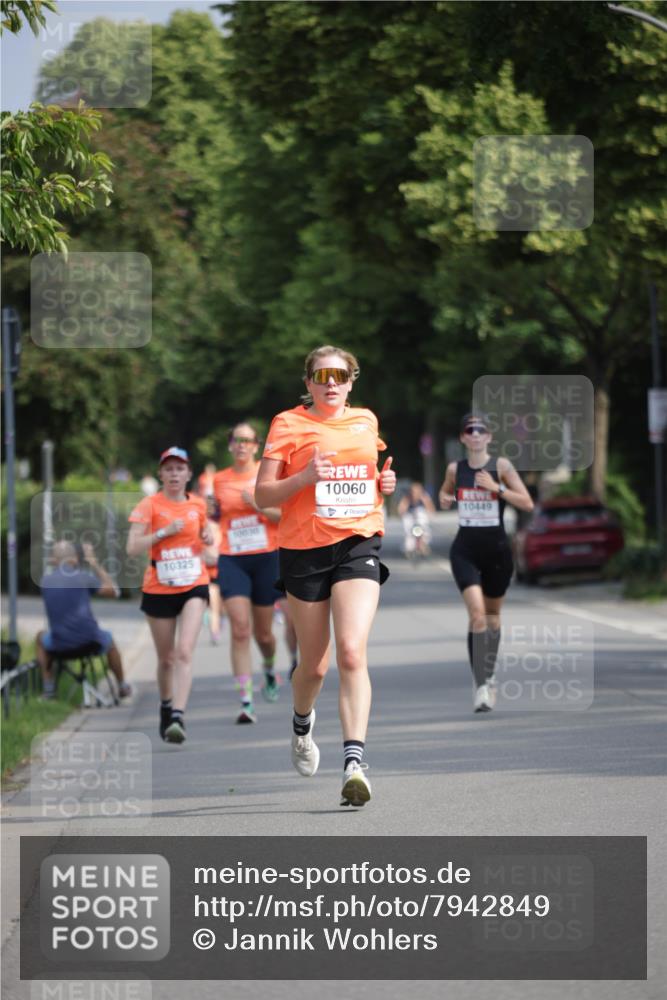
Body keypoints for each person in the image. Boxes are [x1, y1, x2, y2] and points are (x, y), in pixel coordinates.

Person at [255, 345, 396, 807]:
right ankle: (302, 723)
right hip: (304, 549)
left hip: (358, 541)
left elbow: (366, 476)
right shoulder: (287, 424)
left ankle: (354, 763)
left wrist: (383, 487)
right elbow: (261, 495)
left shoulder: (366, 421)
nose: (331, 383)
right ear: (309, 382)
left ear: (352, 381)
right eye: (322, 376)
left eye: (340, 375)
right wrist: (303, 479)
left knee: (352, 652)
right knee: (313, 665)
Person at [438, 414, 534, 712]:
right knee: (477, 616)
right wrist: (444, 497)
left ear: (489, 437)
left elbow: (527, 502)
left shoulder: (501, 467)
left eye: (481, 430)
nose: (476, 434)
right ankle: (480, 684)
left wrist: (497, 488)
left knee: (492, 617)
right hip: (465, 549)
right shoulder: (456, 468)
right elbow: (445, 490)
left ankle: (489, 674)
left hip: (497, 551)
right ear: (464, 438)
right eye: (470, 430)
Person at [126, 447, 213, 743]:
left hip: (193, 583)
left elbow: (206, 541)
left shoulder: (199, 505)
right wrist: (163, 533)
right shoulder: (149, 505)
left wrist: (209, 538)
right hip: (159, 586)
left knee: (184, 652)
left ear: (189, 474)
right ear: (160, 474)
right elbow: (133, 547)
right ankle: (166, 704)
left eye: (180, 469)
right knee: (165, 659)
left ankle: (178, 715)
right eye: (169, 469)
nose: (174, 474)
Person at [213, 423, 283, 724]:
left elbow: (283, 515)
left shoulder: (267, 477)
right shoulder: (218, 480)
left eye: (247, 440)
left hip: (267, 556)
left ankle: (268, 668)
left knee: (264, 634)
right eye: (236, 440)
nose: (241, 445)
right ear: (230, 445)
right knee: (240, 628)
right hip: (232, 558)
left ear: (257, 446)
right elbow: (212, 515)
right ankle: (246, 701)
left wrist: (257, 504)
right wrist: (205, 530)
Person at [37, 540, 131, 700]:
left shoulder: (45, 581)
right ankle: (122, 685)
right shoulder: (83, 577)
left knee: (40, 637)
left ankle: (49, 689)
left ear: (53, 560)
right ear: (75, 559)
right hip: (90, 642)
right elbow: (115, 592)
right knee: (110, 641)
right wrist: (93, 562)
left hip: (59, 644)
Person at [202, 495, 226, 645]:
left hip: (221, 568)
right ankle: (214, 631)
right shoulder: (199, 526)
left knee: (221, 605)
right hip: (206, 570)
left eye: (212, 507)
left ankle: (219, 619)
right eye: (206, 507)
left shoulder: (221, 526)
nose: (209, 510)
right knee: (213, 602)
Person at [397, 481, 435, 557]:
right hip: (409, 516)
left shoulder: (424, 497)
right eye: (413, 492)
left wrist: (425, 501)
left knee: (425, 527)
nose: (415, 494)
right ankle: (409, 546)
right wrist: (407, 503)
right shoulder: (407, 498)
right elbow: (401, 511)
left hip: (421, 515)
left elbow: (431, 510)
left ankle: (423, 544)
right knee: (408, 529)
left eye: (417, 491)